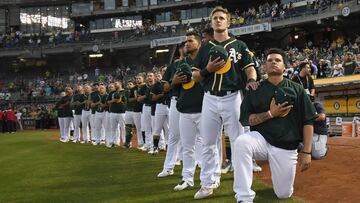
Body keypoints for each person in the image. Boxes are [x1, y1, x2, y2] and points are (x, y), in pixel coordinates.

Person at [192, 6, 258, 199]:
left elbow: (250, 68)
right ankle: (208, 183)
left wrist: (252, 80)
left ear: (228, 22)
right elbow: (195, 75)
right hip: (210, 97)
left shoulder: (239, 45)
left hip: (232, 97)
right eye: (215, 18)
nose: (219, 20)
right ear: (211, 23)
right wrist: (208, 69)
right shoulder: (205, 48)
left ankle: (243, 191)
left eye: (222, 18)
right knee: (208, 142)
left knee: (240, 143)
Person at [234, 48, 317, 202]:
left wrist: (306, 152)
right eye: (270, 60)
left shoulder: (297, 89)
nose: (273, 62)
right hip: (262, 141)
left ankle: (282, 181)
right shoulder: (255, 89)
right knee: (241, 142)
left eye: (278, 60)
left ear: (284, 67)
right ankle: (244, 197)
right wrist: (271, 114)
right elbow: (246, 119)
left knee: (283, 194)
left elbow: (308, 121)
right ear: (264, 66)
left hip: (286, 145)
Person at [172, 31, 204, 191]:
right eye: (185, 42)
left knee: (208, 146)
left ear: (199, 43)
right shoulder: (180, 63)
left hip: (204, 109)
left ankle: (210, 179)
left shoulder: (204, 59)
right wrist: (174, 81)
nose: (187, 44)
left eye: (190, 41)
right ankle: (187, 179)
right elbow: (173, 87)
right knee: (187, 147)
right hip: (185, 110)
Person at [157, 42, 186, 177]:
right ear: (180, 49)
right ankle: (168, 167)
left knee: (199, 136)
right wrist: (174, 82)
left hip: (196, 102)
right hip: (176, 101)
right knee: (174, 135)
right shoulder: (173, 65)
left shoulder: (200, 61)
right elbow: (166, 88)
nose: (187, 47)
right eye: (185, 45)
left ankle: (199, 164)